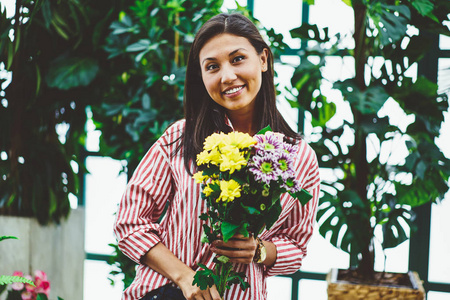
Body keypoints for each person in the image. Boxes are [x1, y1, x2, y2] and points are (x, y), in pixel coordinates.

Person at [114, 12, 320, 300]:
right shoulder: (179, 138)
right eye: (212, 66)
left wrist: (260, 250)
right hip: (166, 293)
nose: (227, 76)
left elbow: (296, 248)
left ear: (263, 60)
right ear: (201, 76)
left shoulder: (299, 157)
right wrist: (186, 277)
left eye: (237, 59)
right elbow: (130, 223)